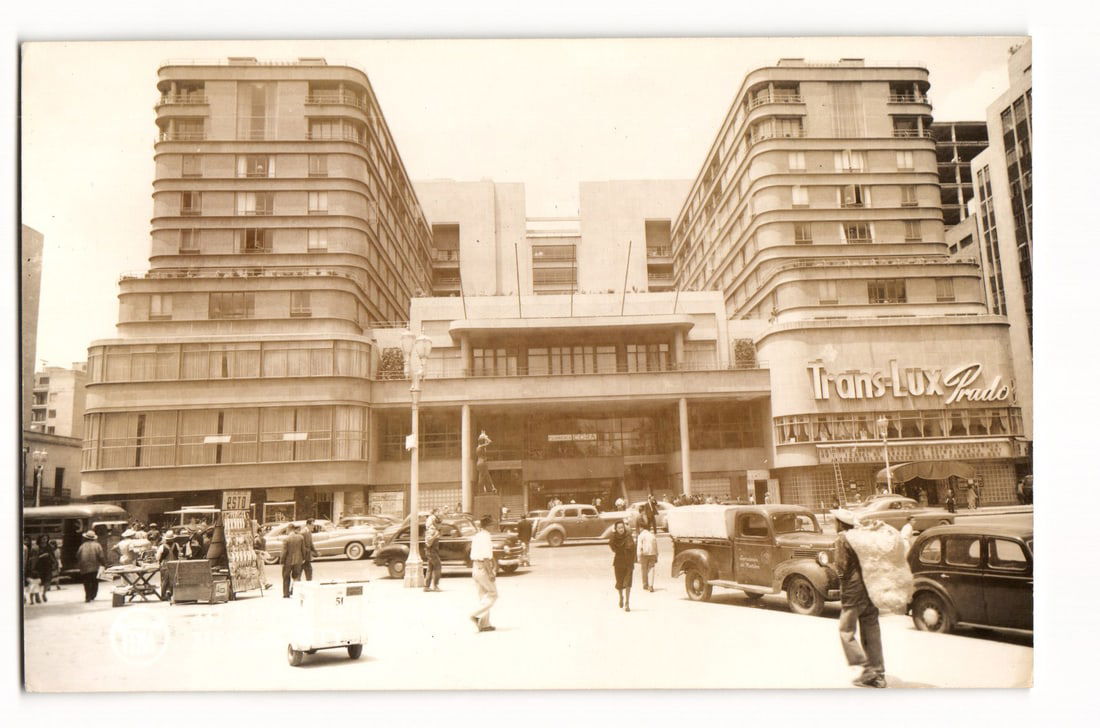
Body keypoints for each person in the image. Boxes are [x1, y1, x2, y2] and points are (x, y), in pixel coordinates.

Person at [831, 509, 886, 688]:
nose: (833, 524)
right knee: (871, 630)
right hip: (870, 588)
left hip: (853, 591)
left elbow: (841, 568)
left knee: (845, 631)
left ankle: (867, 669)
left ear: (840, 524)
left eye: (834, 521)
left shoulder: (842, 539)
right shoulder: (862, 536)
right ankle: (878, 674)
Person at [469, 516, 497, 632]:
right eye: (493, 524)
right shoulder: (486, 537)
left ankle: (484, 624)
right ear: (488, 526)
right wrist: (490, 573)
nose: (494, 526)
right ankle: (475, 614)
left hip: (475, 567)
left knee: (483, 596)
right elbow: (485, 557)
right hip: (482, 567)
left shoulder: (477, 536)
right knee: (493, 594)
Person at [609, 521, 636, 611]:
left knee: (628, 583)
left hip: (628, 563)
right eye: (619, 528)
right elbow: (612, 546)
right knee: (619, 583)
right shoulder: (614, 538)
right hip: (618, 563)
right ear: (616, 529)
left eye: (622, 527)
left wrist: (632, 562)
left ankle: (627, 603)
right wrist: (613, 534)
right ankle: (621, 597)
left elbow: (633, 549)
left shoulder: (628, 537)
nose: (621, 529)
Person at [76, 530, 107, 602]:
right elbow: (101, 556)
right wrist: (104, 564)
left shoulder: (82, 546)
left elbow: (78, 555)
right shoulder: (97, 545)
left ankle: (88, 596)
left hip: (84, 567)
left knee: (86, 582)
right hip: (95, 566)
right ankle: (93, 595)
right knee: (94, 581)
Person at [281, 524, 306, 598]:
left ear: (289, 529)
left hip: (288, 561)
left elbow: (284, 552)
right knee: (296, 576)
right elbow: (303, 549)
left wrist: (282, 561)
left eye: (287, 530)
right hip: (298, 560)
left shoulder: (286, 539)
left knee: (286, 577)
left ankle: (286, 594)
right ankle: (295, 592)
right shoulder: (300, 537)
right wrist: (303, 558)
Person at [424, 510, 442, 592]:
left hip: (432, 552)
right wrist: (435, 535)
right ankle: (435, 585)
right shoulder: (431, 530)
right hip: (432, 552)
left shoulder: (433, 530)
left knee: (430, 568)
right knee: (437, 567)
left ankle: (426, 586)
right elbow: (428, 543)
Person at [636, 524, 658, 592]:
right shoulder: (652, 535)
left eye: (639, 528)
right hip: (652, 554)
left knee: (644, 570)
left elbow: (639, 547)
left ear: (642, 528)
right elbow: (656, 546)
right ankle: (651, 585)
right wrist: (656, 555)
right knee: (651, 569)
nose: (639, 529)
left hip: (644, 555)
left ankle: (645, 584)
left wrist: (638, 557)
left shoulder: (641, 536)